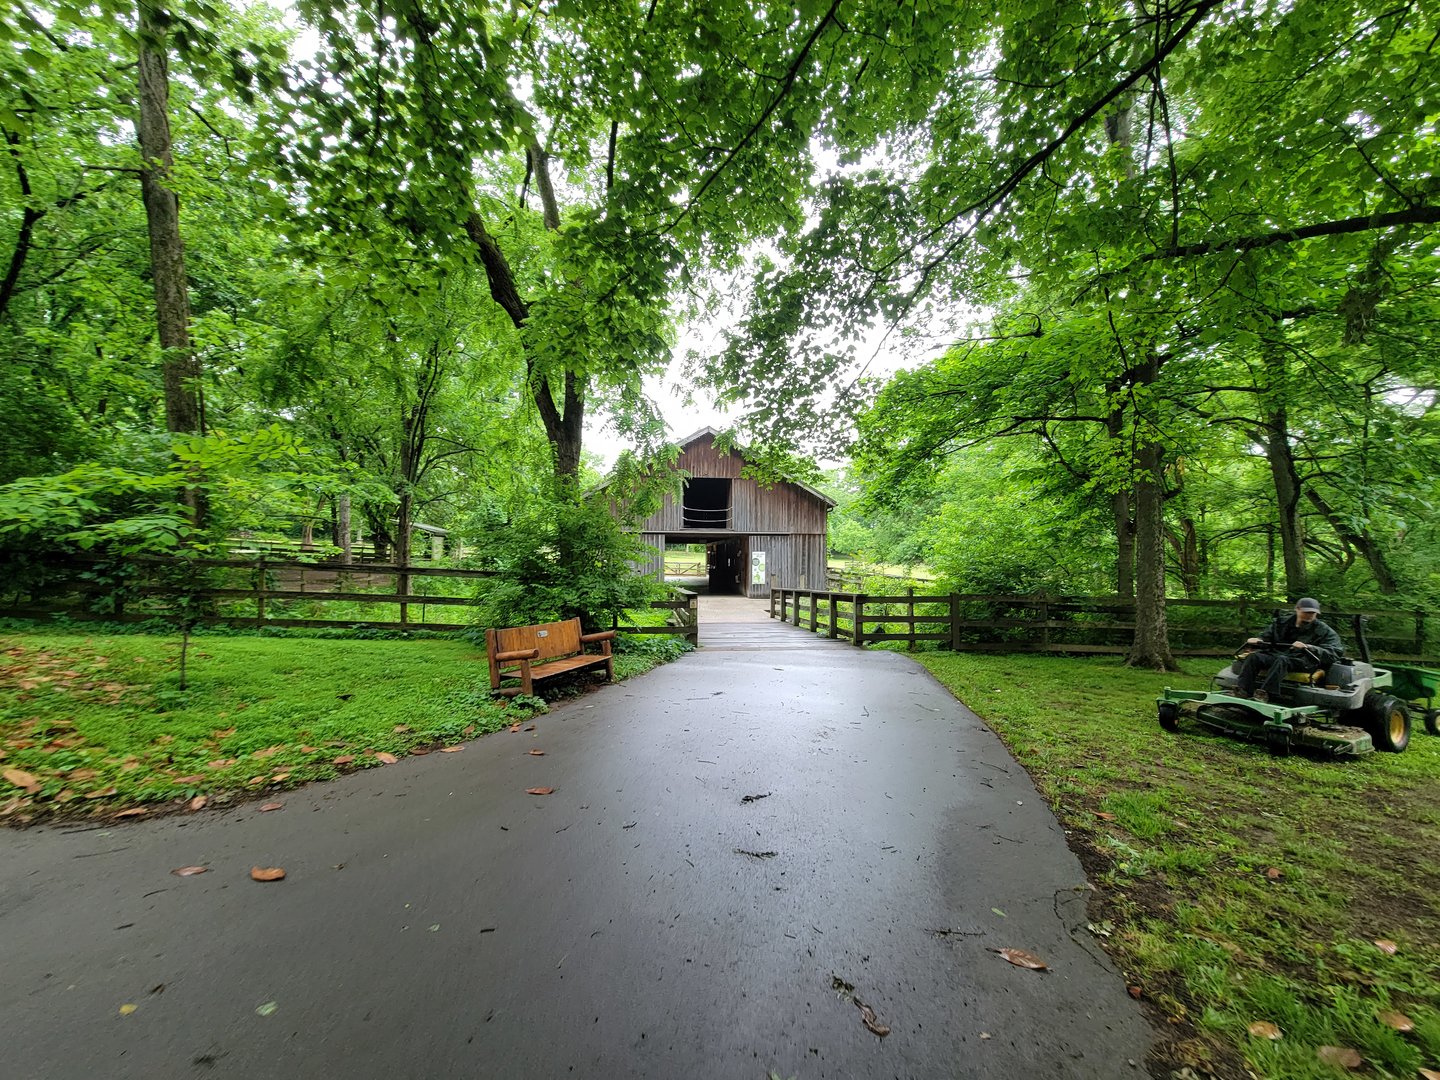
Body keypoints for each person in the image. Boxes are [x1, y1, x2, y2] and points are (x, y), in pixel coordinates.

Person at [1232, 598, 1343, 701]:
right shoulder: (1281, 623)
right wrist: (1258, 640)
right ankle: (1244, 690)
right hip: (1278, 655)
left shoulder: (1324, 631)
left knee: (1282, 660)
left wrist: (1309, 647)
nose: (1309, 615)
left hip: (1304, 661)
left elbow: (1334, 652)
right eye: (1306, 612)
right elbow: (1266, 637)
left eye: (1312, 613)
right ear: (1297, 609)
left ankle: (1266, 693)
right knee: (1254, 657)